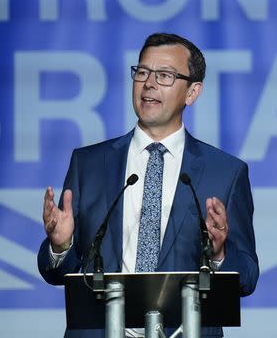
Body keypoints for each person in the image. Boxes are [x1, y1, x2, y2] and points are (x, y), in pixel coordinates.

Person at [38, 32, 259, 338]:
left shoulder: (225, 172)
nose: (149, 84)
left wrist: (219, 254)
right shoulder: (89, 164)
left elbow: (247, 278)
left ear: (192, 92)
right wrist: (61, 246)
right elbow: (55, 273)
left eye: (165, 75)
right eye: (142, 72)